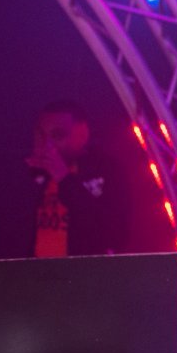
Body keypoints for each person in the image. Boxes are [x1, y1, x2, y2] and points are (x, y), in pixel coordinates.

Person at [26, 100, 129, 257]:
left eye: (57, 135)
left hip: (81, 270)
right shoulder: (33, 174)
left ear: (82, 134)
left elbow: (113, 233)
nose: (48, 145)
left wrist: (64, 178)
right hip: (36, 270)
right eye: (41, 135)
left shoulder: (105, 170)